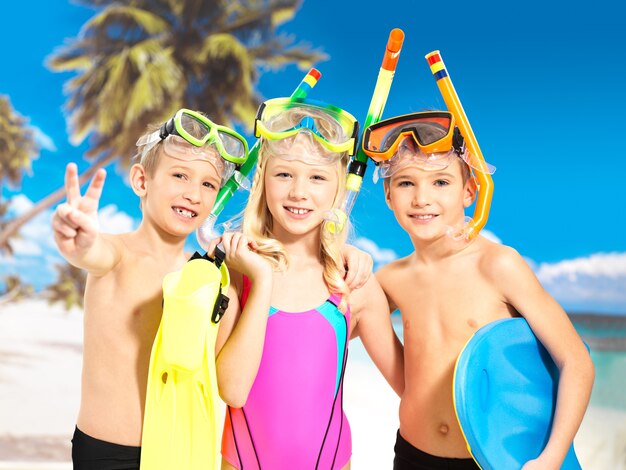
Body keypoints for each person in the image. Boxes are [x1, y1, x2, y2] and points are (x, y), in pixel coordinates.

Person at [52, 108, 374, 469]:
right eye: (179, 176)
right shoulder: (119, 254)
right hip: (112, 450)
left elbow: (295, 272)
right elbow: (92, 253)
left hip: (184, 451)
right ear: (142, 181)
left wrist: (341, 251)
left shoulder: (212, 268)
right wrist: (77, 242)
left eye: (208, 185)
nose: (193, 194)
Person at [361, 111, 594, 470]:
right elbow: (333, 325)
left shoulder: (498, 265)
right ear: (389, 196)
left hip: (487, 460)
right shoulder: (390, 279)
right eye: (406, 183)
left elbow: (575, 361)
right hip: (411, 454)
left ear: (470, 191)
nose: (422, 198)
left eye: (441, 183)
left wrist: (551, 457)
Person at [210, 97, 405, 469]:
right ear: (262, 179)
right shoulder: (237, 274)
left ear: (340, 190)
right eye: (284, 174)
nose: (299, 192)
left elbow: (410, 387)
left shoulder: (353, 284)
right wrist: (261, 279)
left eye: (317, 178)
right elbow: (232, 390)